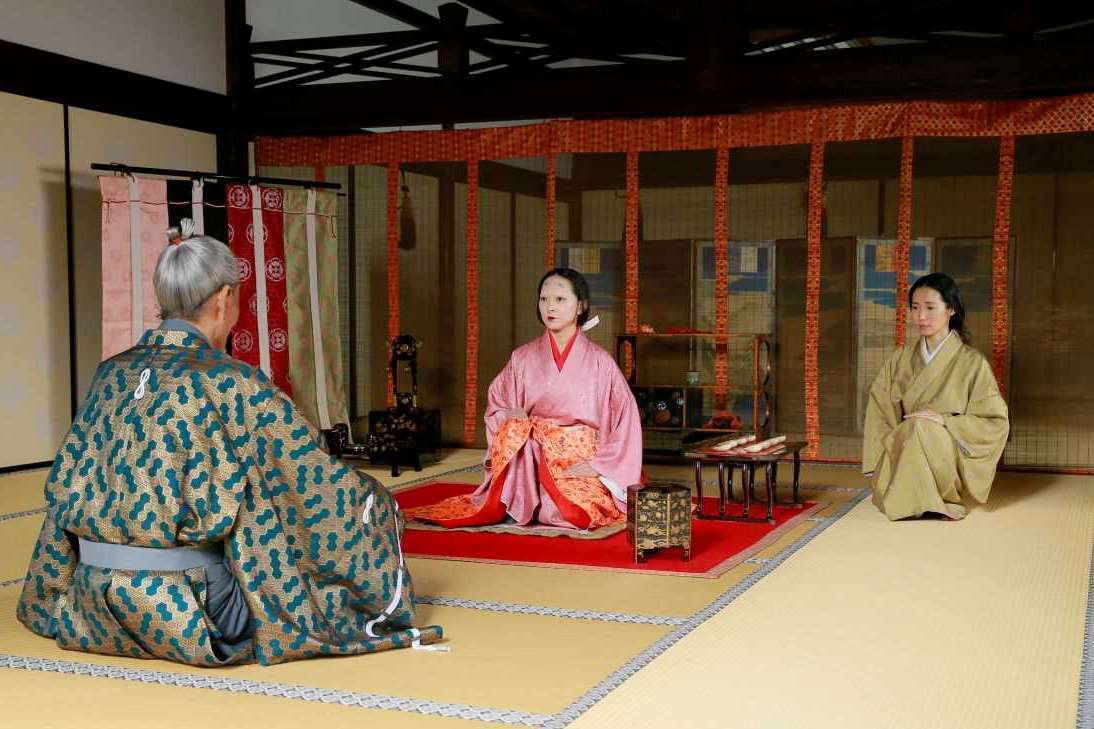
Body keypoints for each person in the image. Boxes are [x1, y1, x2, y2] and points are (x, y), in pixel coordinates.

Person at [17, 221, 440, 666]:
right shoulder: (232, 382)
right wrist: (379, 503)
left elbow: (68, 485)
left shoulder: (109, 373)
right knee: (296, 526)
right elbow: (312, 478)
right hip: (187, 607)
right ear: (223, 298)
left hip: (90, 598)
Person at [406, 268, 643, 530]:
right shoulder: (522, 358)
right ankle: (527, 494)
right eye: (544, 299)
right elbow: (498, 403)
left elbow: (625, 419)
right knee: (550, 510)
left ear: (580, 306)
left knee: (575, 513)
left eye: (560, 299)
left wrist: (599, 465)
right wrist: (510, 417)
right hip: (532, 459)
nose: (550, 307)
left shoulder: (600, 362)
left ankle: (551, 498)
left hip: (578, 460)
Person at [863, 272, 1009, 520]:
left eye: (930, 307)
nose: (921, 316)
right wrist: (878, 459)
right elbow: (880, 409)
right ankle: (909, 494)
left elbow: (995, 422)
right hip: (904, 446)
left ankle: (928, 497)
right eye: (915, 307)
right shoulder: (900, 359)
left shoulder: (973, 363)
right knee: (915, 428)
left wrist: (945, 421)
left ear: (950, 309)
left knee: (922, 427)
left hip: (946, 450)